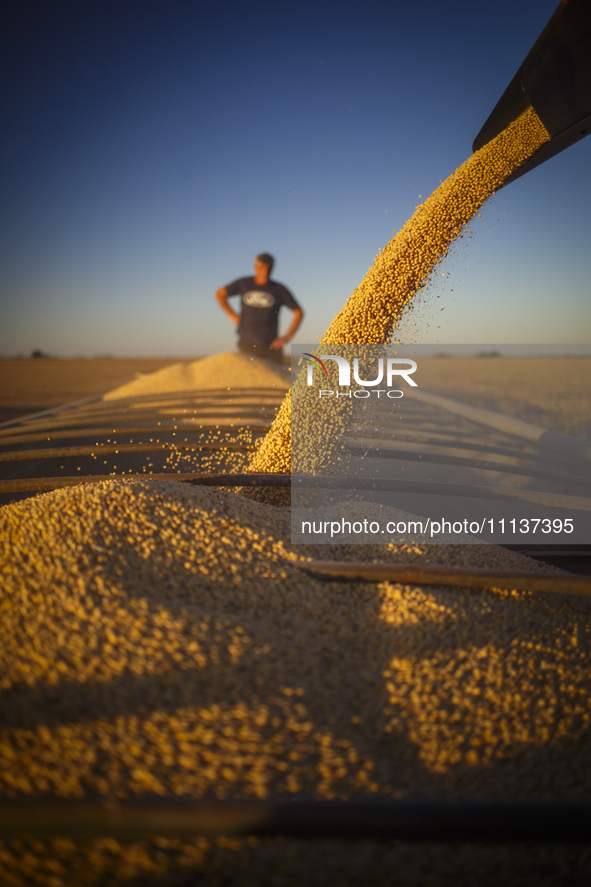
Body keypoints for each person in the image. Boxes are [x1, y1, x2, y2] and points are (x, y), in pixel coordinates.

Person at [215, 253, 303, 364]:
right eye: (261, 268)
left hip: (271, 347)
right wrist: (232, 315)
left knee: (276, 380)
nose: (265, 272)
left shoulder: (279, 289)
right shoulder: (244, 283)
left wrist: (287, 337)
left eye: (268, 268)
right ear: (255, 267)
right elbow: (219, 294)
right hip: (247, 344)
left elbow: (298, 312)